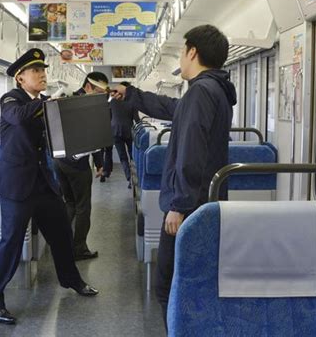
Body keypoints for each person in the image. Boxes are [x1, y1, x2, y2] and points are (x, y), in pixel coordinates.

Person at [112, 24, 236, 330]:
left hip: (189, 207)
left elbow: (191, 152)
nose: (180, 57)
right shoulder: (213, 90)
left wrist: (178, 205)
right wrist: (133, 94)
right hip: (206, 202)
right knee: (192, 282)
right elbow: (171, 108)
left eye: (182, 51)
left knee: (169, 286)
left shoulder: (200, 92)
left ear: (192, 51)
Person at [0, 48, 98, 325]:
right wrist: (49, 103)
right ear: (20, 78)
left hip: (43, 183)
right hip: (16, 185)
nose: (43, 75)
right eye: (36, 71)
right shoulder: (11, 100)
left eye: (44, 70)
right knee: (10, 243)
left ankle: (72, 280)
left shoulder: (43, 102)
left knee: (61, 234)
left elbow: (58, 135)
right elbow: (20, 117)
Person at [53, 72, 108, 261]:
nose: (101, 96)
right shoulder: (86, 107)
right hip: (77, 165)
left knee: (69, 203)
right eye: (99, 91)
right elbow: (95, 137)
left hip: (59, 162)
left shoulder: (65, 101)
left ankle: (62, 244)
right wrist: (99, 164)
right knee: (83, 207)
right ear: (88, 87)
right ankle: (79, 248)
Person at [109, 81, 140, 188]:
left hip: (115, 131)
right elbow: (137, 120)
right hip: (128, 131)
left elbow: (109, 118)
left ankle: (129, 178)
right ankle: (134, 178)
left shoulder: (112, 101)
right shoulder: (132, 102)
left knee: (123, 157)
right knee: (133, 156)